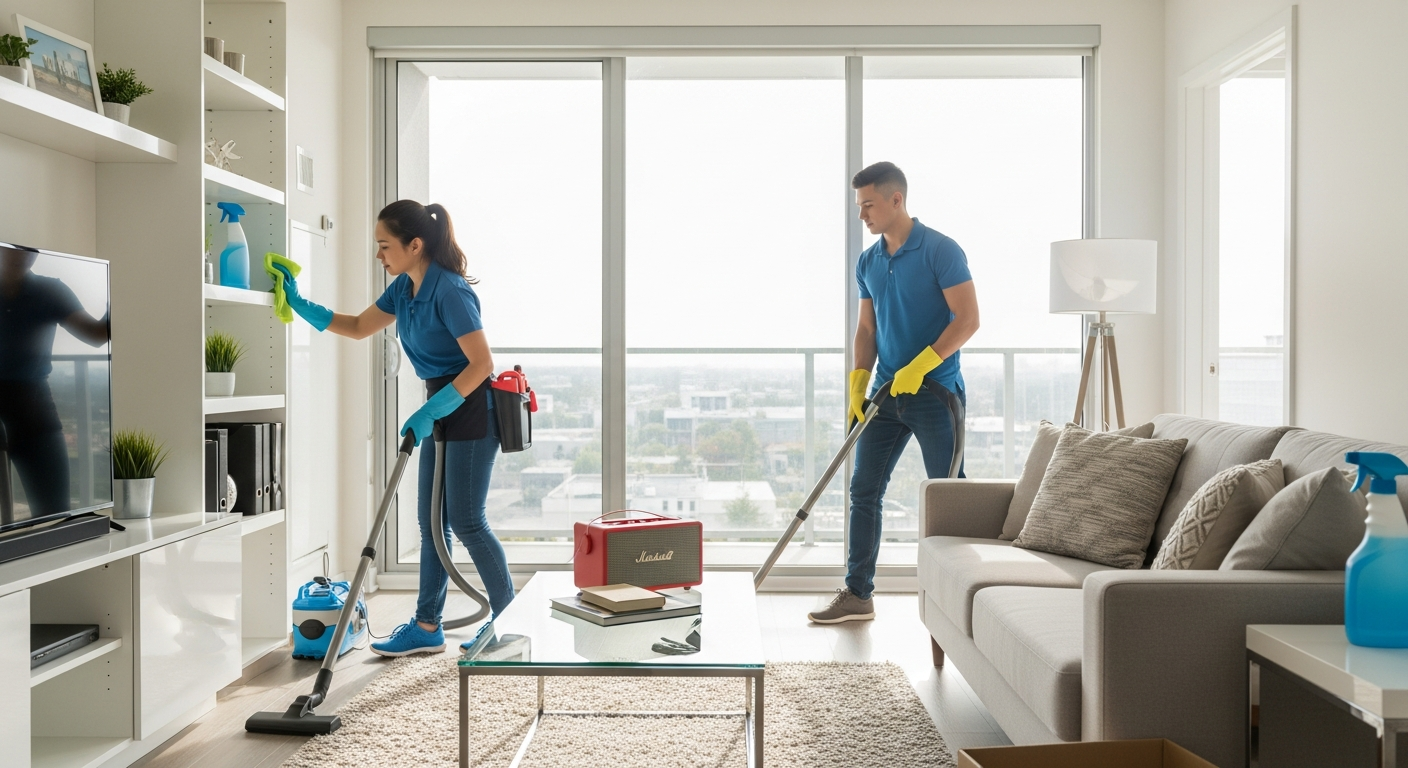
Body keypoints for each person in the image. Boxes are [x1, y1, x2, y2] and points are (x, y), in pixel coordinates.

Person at [274, 200, 513, 656]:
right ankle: (427, 626)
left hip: (470, 408)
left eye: (385, 246)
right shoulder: (405, 288)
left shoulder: (451, 291)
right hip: (441, 404)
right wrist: (300, 303)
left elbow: (482, 364)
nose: (379, 255)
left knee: (466, 521)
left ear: (415, 244)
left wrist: (433, 410)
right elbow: (361, 326)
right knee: (430, 523)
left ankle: (509, 621)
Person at [808, 162, 979, 624]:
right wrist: (858, 383)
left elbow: (967, 320)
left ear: (895, 200)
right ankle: (857, 593)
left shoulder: (941, 251)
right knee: (864, 490)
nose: (862, 214)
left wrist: (923, 364)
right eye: (858, 205)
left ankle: (964, 596)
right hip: (885, 393)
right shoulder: (869, 260)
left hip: (935, 393)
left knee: (948, 496)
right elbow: (867, 327)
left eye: (868, 205)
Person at [0, 246, 109, 521]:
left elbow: (96, 336)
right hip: (32, 408)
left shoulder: (49, 291)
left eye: (32, 249)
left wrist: (127, 292)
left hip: (33, 410)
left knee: (55, 514)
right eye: (18, 248)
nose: (25, 253)